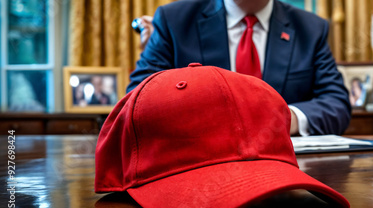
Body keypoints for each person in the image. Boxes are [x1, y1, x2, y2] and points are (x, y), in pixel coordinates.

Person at [128, 0, 351, 136]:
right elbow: (137, 95)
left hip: (286, 171)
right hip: (200, 169)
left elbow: (336, 103)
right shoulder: (174, 20)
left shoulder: (310, 28)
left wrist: (284, 118)